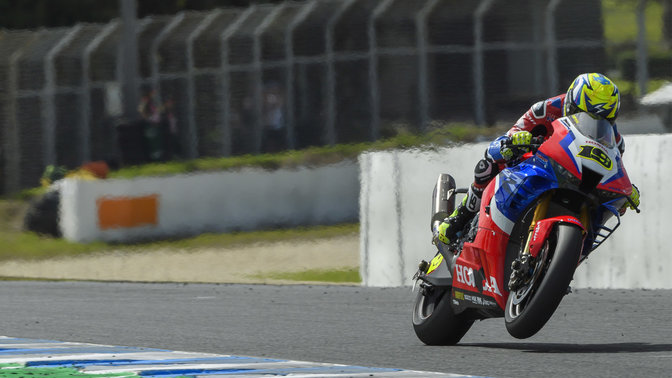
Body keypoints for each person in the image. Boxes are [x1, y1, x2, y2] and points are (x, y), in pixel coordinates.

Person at [434, 72, 641, 246]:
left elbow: (611, 171)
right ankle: (460, 218)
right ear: (572, 103)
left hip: (575, 178)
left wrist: (625, 193)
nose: (595, 124)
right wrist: (516, 141)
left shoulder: (615, 140)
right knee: (491, 160)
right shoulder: (545, 110)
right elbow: (507, 138)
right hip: (536, 163)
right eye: (587, 115)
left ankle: (559, 259)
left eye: (603, 119)